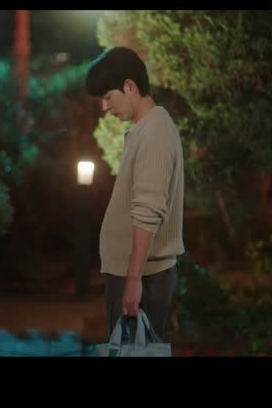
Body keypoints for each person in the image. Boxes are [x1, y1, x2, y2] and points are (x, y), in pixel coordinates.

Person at [85, 46, 185, 340]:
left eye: (108, 96)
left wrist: (133, 279)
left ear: (130, 86)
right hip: (138, 273)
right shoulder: (147, 129)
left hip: (143, 276)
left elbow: (148, 208)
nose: (105, 107)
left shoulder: (155, 132)